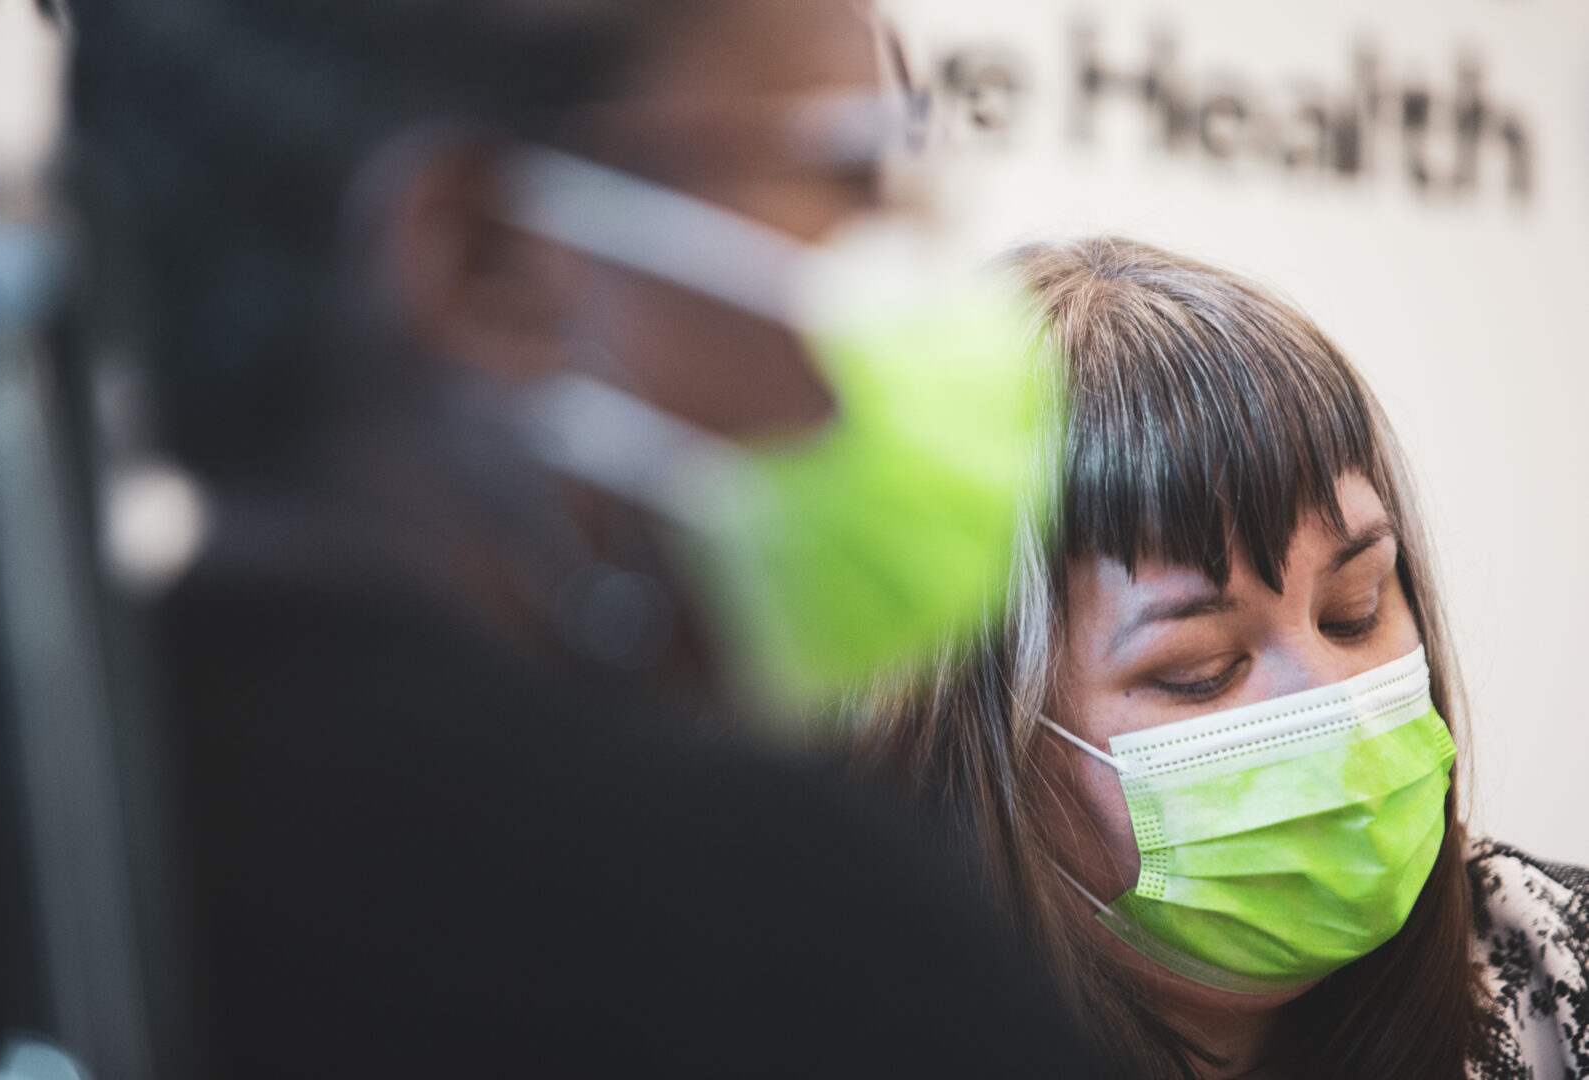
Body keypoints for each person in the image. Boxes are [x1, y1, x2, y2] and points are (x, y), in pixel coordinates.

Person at [58, 1, 1109, 1077]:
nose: (907, 250)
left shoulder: (51, 820)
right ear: (488, 268)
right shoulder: (767, 940)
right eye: (844, 170)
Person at [852, 237, 1589, 1080]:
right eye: (1199, 669)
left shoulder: (1558, 976)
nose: (1336, 703)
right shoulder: (783, 1030)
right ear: (978, 742)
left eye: (1354, 613)